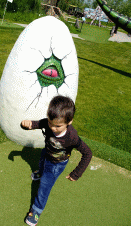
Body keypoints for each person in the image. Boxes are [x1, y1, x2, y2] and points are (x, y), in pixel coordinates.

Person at [21, 95, 92, 226]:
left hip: (57, 164)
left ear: (69, 122)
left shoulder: (72, 137)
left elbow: (88, 153)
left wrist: (76, 173)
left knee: (44, 187)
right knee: (41, 163)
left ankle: (36, 210)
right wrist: (27, 124)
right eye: (50, 123)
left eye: (58, 126)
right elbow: (37, 124)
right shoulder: (50, 122)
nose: (53, 128)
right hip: (46, 152)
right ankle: (40, 172)